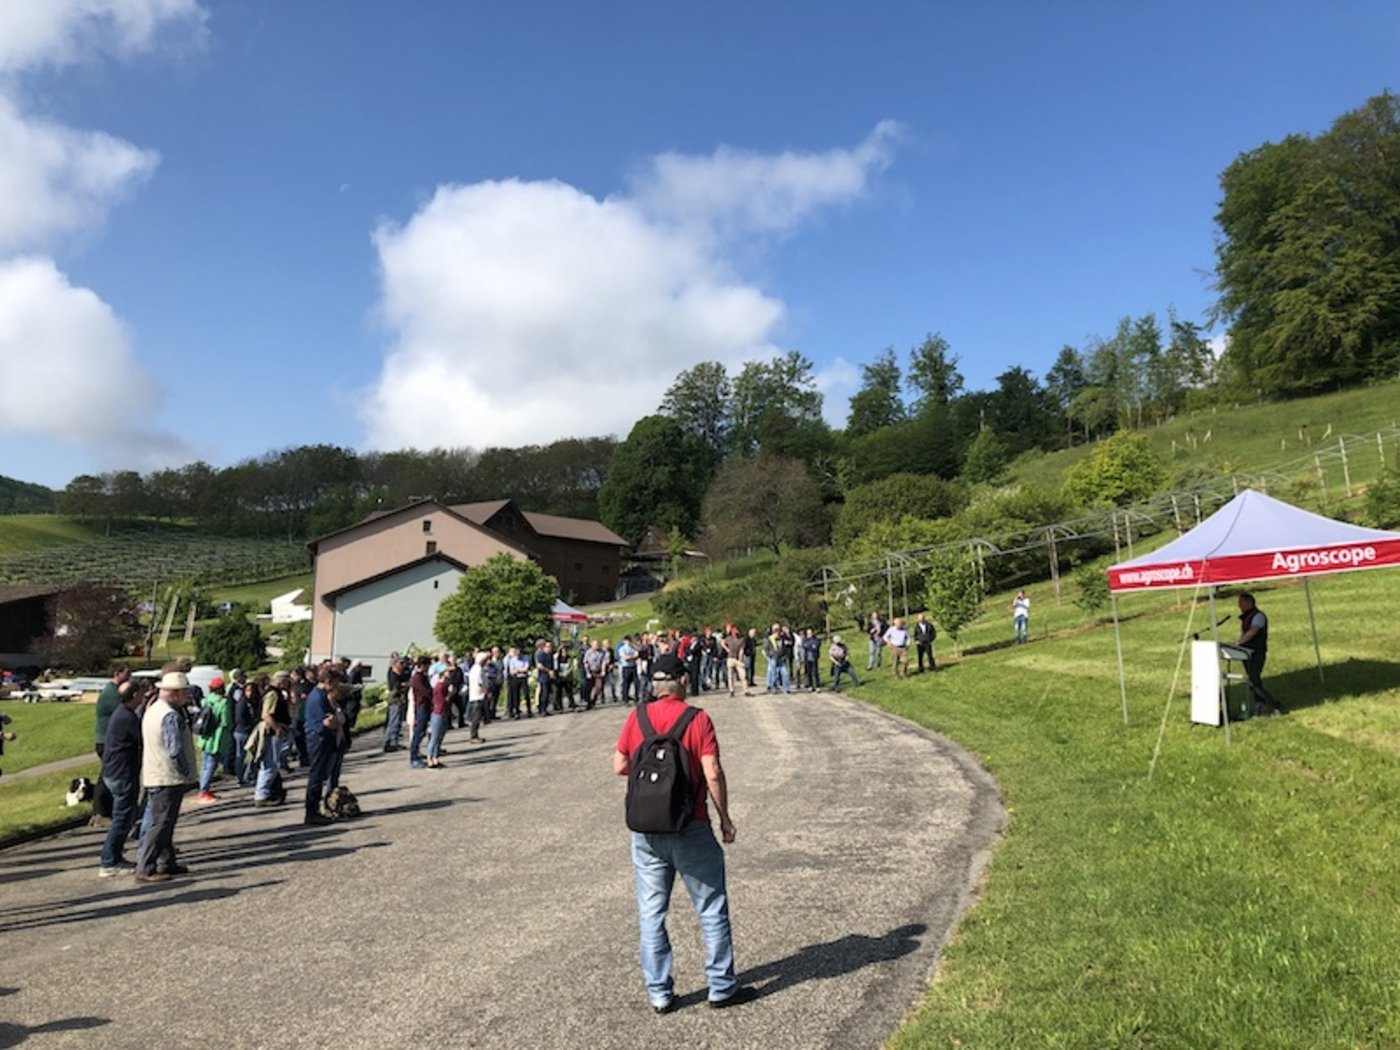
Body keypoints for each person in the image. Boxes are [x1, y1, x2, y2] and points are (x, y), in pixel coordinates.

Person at [613, 653, 751, 1013]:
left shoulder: (637, 717)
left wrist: (656, 782)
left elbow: (620, 765)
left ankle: (660, 992)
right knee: (710, 906)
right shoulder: (697, 719)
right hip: (691, 824)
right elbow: (713, 773)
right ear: (683, 682)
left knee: (651, 912)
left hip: (647, 830)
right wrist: (725, 819)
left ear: (654, 686)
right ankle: (721, 987)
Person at [136, 671, 197, 883]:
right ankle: (145, 867)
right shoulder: (170, 715)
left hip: (156, 772)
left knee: (164, 822)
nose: (187, 696)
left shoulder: (153, 709)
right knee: (160, 823)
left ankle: (166, 862)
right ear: (175, 693)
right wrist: (185, 771)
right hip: (166, 775)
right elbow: (175, 749)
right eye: (184, 692)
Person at [98, 680, 144, 877]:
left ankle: (115, 855)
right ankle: (109, 861)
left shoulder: (121, 713)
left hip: (113, 771)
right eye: (141, 693)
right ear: (134, 695)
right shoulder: (127, 717)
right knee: (122, 819)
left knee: (124, 817)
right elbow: (143, 739)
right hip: (122, 773)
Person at [92, 664, 132, 825]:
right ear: (117, 674)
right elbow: (127, 708)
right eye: (127, 674)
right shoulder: (111, 694)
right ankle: (101, 812)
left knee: (109, 774)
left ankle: (103, 811)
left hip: (108, 740)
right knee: (108, 776)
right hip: (106, 741)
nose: (130, 677)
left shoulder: (113, 691)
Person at [302, 669, 342, 825]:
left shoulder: (322, 696)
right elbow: (327, 722)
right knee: (316, 776)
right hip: (317, 738)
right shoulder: (317, 697)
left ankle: (315, 810)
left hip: (322, 737)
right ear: (327, 682)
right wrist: (335, 722)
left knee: (320, 775)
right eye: (335, 683)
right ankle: (311, 813)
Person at [1237, 592, 1287, 716]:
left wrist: (1239, 643)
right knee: (1253, 681)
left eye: (1241, 603)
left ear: (1249, 603)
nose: (1239, 606)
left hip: (1257, 653)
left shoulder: (1258, 616)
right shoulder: (1247, 617)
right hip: (1247, 653)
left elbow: (1253, 631)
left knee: (1254, 681)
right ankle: (1260, 705)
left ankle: (1276, 705)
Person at [194, 676, 232, 803]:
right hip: (217, 737)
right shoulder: (223, 702)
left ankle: (204, 788)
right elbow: (226, 721)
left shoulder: (207, 700)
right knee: (211, 765)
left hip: (205, 736)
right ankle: (203, 791)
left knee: (205, 765)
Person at [409, 656, 432, 768]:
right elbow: (425, 692)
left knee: (422, 732)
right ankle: (413, 757)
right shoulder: (417, 678)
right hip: (421, 706)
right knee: (418, 732)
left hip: (426, 706)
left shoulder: (423, 677)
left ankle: (417, 753)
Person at [383, 656, 408, 752]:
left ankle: (394, 741)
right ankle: (389, 743)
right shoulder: (393, 674)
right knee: (394, 721)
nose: (403, 666)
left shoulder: (400, 674)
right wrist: (403, 685)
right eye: (401, 664)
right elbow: (395, 686)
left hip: (399, 700)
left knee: (397, 722)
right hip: (395, 700)